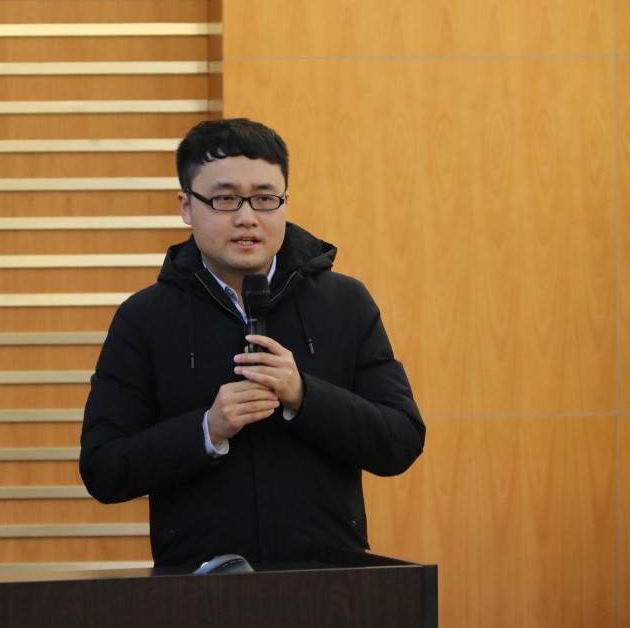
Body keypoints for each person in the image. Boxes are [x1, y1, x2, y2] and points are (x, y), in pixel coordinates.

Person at [79, 118, 425, 569]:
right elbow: (103, 468)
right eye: (224, 199)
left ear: (284, 202)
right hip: (197, 586)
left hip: (328, 583)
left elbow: (401, 439)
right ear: (186, 206)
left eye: (264, 198)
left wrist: (305, 397)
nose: (247, 218)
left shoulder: (346, 302)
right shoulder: (144, 317)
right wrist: (207, 430)